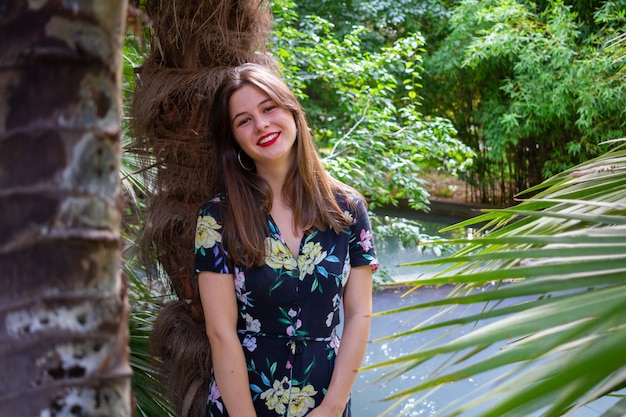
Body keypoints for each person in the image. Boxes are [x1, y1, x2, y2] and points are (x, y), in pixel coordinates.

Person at [194, 63, 378, 417]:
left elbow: (359, 314)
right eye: (243, 120)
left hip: (326, 399)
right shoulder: (217, 218)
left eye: (268, 108)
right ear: (234, 139)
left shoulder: (348, 210)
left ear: (292, 110)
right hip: (243, 403)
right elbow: (220, 334)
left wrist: (333, 406)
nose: (261, 125)